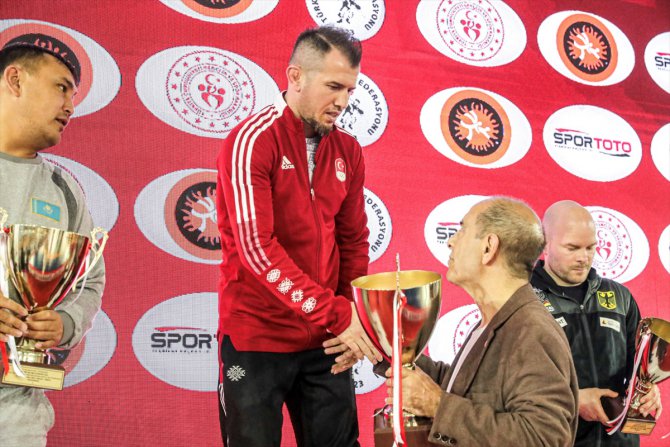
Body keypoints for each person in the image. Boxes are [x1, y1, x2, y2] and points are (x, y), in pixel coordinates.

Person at [215, 25, 381, 447]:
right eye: (333, 87)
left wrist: (352, 317)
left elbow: (353, 242)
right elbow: (257, 250)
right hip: (256, 339)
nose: (342, 101)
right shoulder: (252, 141)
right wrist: (340, 316)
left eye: (350, 89)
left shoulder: (348, 150)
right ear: (296, 77)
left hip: (326, 342)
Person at [383, 197, 579, 446]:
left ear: (489, 247)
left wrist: (438, 405)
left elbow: (543, 438)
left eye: (462, 230)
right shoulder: (497, 320)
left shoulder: (531, 331)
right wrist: (385, 346)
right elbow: (461, 388)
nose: (451, 241)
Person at [0, 34, 105, 446]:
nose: (70, 106)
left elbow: (90, 281)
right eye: (61, 87)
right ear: (15, 80)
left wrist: (65, 322)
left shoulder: (64, 190)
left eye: (73, 95)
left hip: (18, 415)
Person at [531, 200, 662, 447]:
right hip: (554, 438)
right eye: (572, 248)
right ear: (544, 243)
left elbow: (638, 368)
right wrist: (574, 400)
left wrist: (647, 391)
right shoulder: (522, 300)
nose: (584, 257)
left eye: (591, 247)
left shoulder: (620, 297)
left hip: (620, 441)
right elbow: (506, 385)